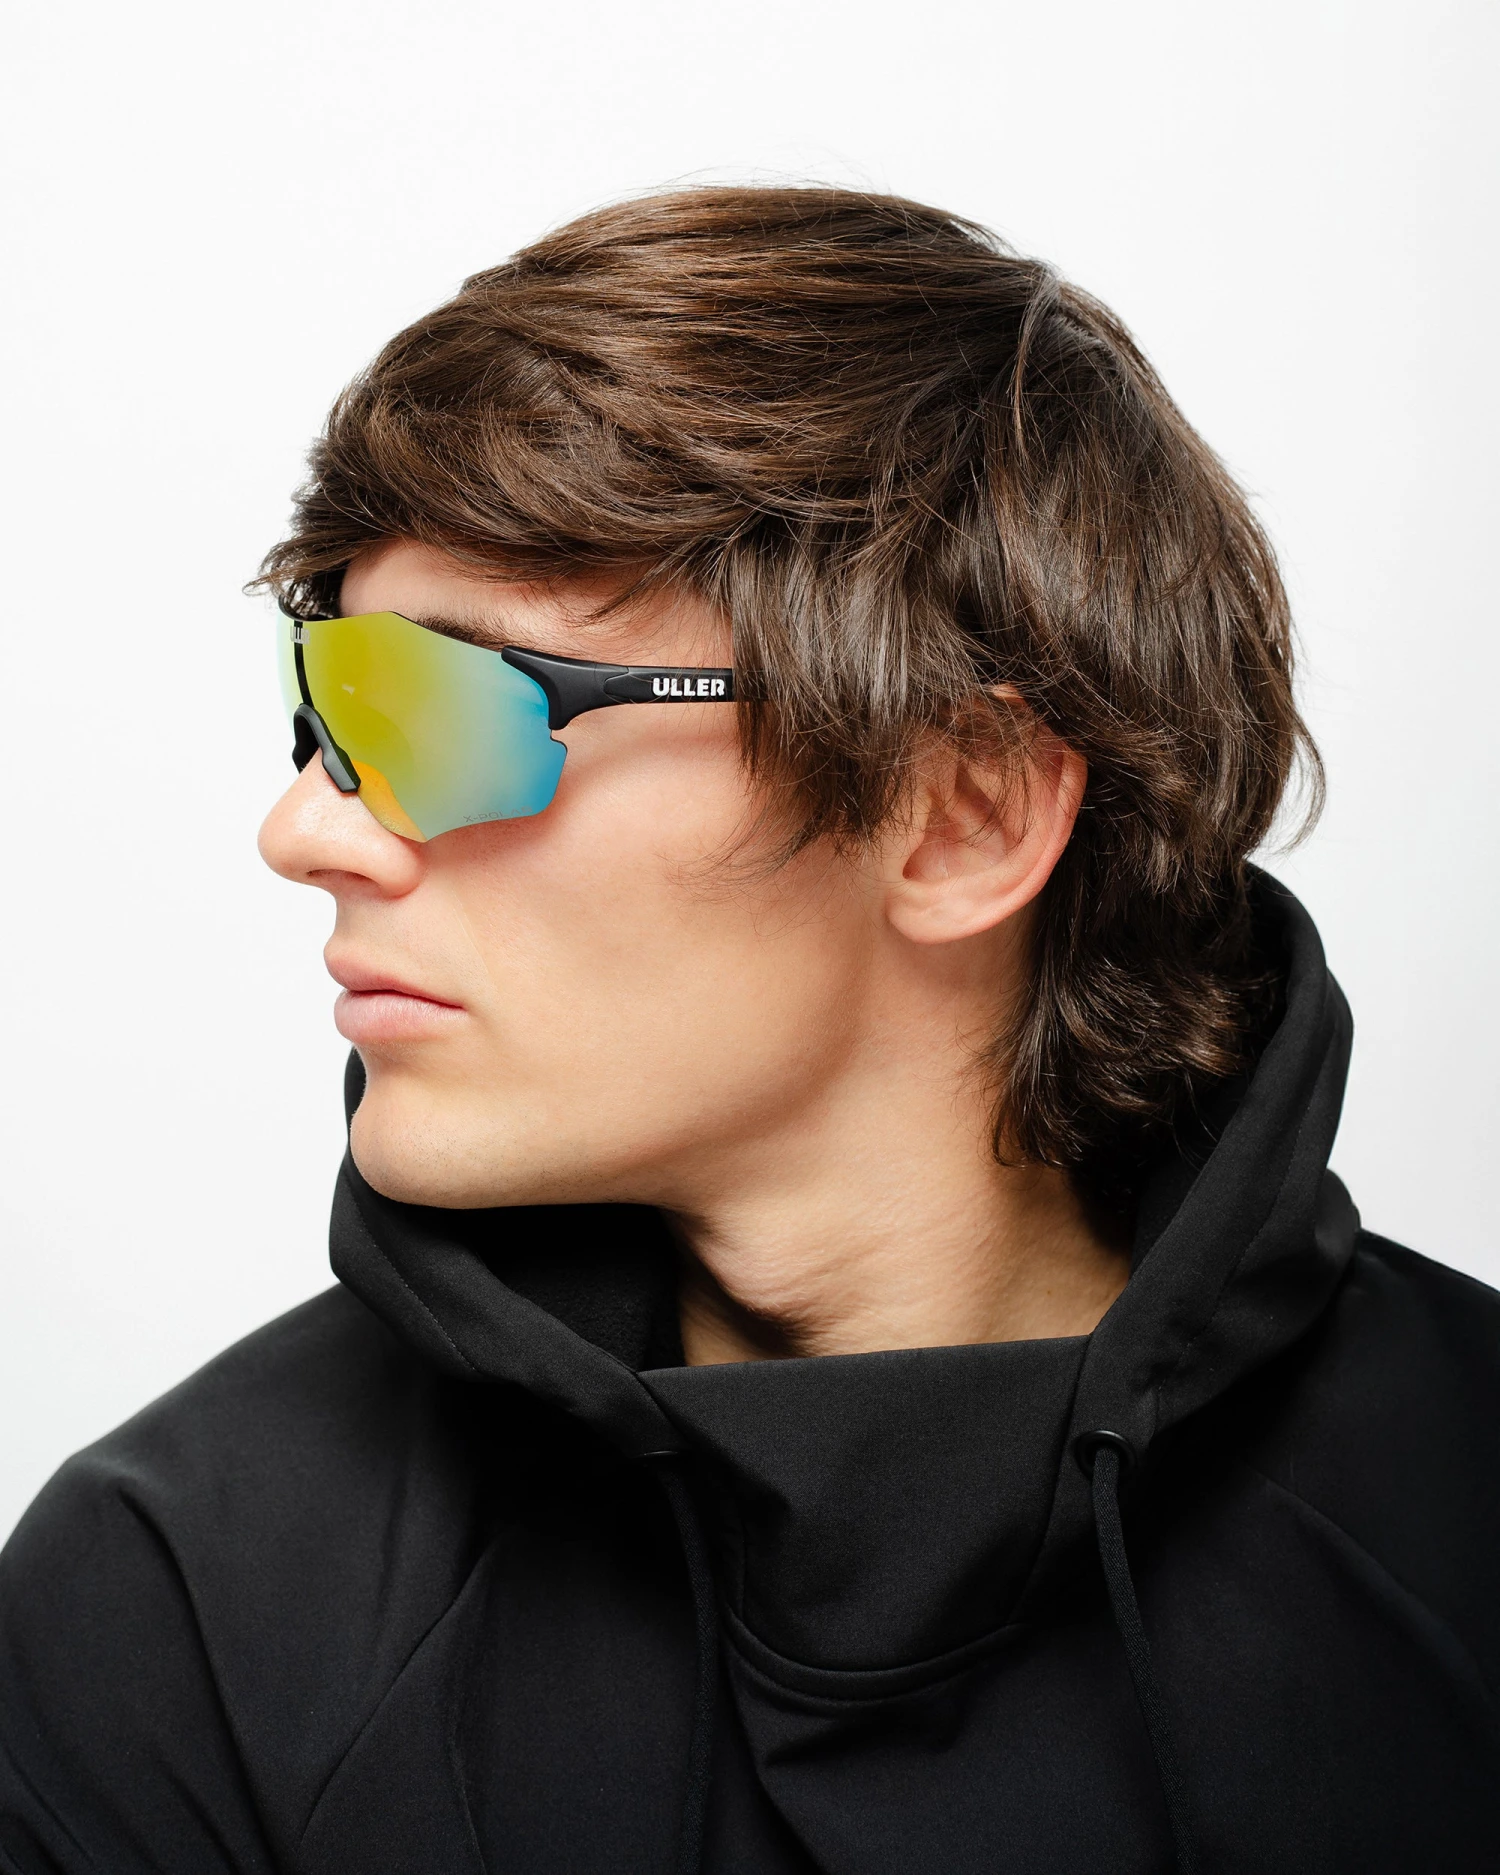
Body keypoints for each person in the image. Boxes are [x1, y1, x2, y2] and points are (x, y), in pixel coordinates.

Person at [1, 187, 1495, 1875]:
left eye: (442, 712)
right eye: (329, 707)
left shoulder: (1461, 1524)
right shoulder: (190, 1608)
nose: (306, 832)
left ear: (964, 812)